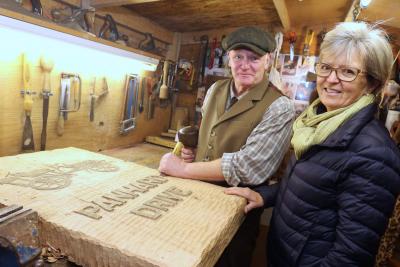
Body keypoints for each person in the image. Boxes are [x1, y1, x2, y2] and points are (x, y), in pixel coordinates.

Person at [225, 21, 400, 267]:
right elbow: (310, 186)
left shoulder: (375, 154)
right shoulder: (315, 124)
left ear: (371, 83)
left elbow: (350, 257)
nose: (331, 79)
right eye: (326, 67)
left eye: (348, 72)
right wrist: (263, 195)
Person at [159, 26, 295, 267]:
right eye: (238, 57)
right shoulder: (216, 89)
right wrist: (193, 150)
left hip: (235, 211)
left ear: (268, 61)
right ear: (229, 59)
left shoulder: (279, 106)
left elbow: (248, 167)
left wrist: (183, 170)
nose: (245, 65)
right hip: (197, 199)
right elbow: (209, 133)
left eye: (254, 58)